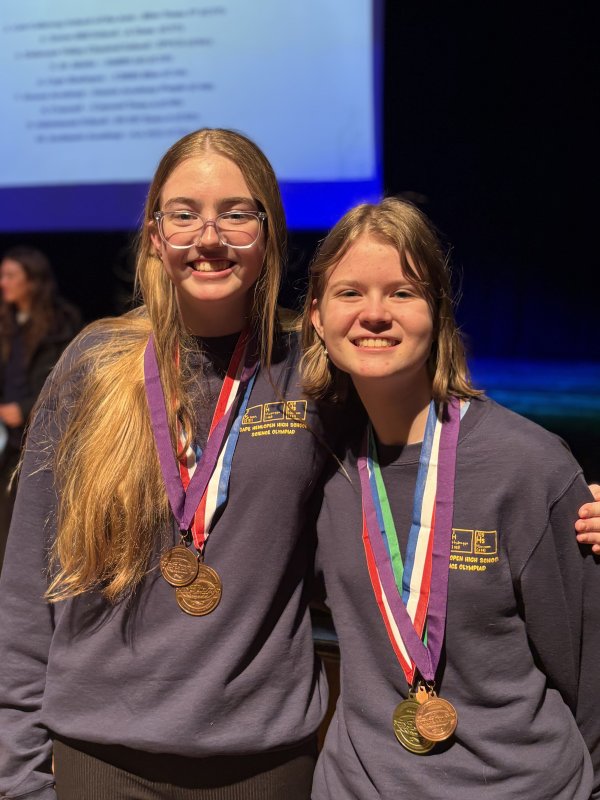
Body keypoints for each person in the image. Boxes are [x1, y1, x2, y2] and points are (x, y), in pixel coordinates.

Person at [0, 129, 334, 800]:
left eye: (236, 213)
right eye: (184, 214)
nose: (209, 237)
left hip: (265, 764)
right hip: (99, 759)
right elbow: (29, 581)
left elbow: (408, 493)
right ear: (155, 235)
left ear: (269, 232)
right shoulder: (94, 363)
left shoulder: (314, 370)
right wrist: (16, 770)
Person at [301, 197, 600, 799]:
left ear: (437, 311)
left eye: (403, 292)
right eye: (350, 292)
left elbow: (588, 672)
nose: (375, 314)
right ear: (316, 317)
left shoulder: (529, 466)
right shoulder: (316, 463)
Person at [0, 246, 81, 570]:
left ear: (32, 281)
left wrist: (24, 408)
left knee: (42, 525)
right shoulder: (6, 323)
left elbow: (70, 382)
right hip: (9, 445)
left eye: (10, 276)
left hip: (45, 442)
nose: (3, 283)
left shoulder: (61, 324)